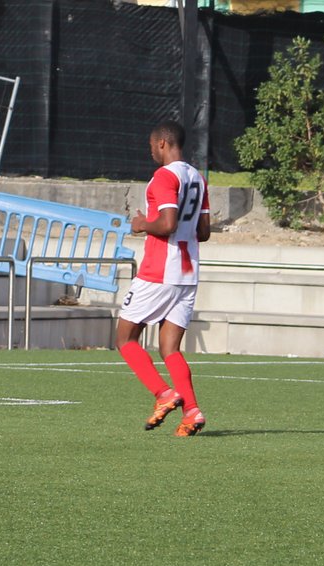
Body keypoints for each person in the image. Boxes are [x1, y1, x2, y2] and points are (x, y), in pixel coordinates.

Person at [115, 120, 210, 436]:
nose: (151, 152)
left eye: (151, 146)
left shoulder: (164, 177)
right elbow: (204, 232)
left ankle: (163, 393)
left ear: (162, 144)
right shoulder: (198, 178)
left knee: (125, 338)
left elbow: (167, 224)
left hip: (160, 271)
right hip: (187, 272)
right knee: (170, 348)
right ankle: (191, 412)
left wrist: (142, 224)